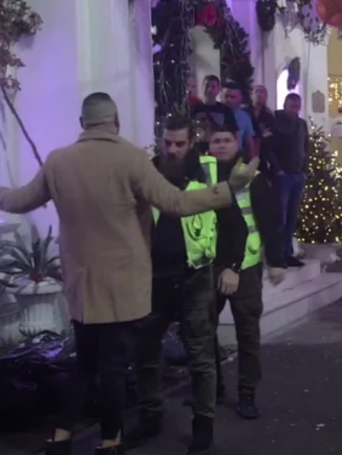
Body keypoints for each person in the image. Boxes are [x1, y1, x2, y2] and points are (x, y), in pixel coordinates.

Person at [0, 92, 258, 455]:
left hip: (85, 283)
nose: (173, 149)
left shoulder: (58, 161)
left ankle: (62, 438)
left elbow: (19, 200)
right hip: (128, 284)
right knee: (114, 366)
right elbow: (176, 203)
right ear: (117, 122)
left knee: (86, 362)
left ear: (82, 123)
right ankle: (111, 440)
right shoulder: (132, 159)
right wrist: (229, 189)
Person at [128, 117, 247, 455]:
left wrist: (232, 267)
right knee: (146, 353)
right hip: (152, 278)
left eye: (179, 144)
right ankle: (150, 415)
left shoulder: (208, 172)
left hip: (194, 277)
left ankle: (203, 425)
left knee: (200, 355)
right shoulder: (146, 172)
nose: (173, 150)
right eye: (167, 143)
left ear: (191, 143)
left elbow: (234, 225)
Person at [204, 125, 286, 420]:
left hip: (246, 266)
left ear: (236, 143)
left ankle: (247, 394)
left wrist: (276, 261)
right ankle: (211, 389)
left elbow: (270, 221)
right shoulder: (202, 177)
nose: (221, 145)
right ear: (208, 145)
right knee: (203, 332)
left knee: (247, 335)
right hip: (209, 264)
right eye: (216, 141)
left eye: (227, 140)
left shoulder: (253, 178)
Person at [269, 93, 308, 268]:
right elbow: (269, 147)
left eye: (297, 107)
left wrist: (304, 170)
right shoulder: (276, 122)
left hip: (297, 175)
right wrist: (277, 169)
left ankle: (288, 253)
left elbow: (306, 147)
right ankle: (277, 255)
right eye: (292, 106)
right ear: (285, 105)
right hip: (283, 176)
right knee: (280, 217)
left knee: (292, 216)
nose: (294, 110)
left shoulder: (301, 124)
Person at [190, 75, 238, 152]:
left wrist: (235, 150)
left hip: (220, 148)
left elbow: (234, 131)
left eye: (213, 87)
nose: (209, 89)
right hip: (199, 148)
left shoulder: (225, 110)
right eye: (207, 86)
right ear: (202, 88)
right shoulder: (194, 109)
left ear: (218, 90)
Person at [223, 82, 255, 160]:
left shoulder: (244, 117)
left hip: (237, 156)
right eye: (226, 96)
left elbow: (249, 143)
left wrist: (252, 162)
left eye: (232, 97)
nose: (228, 100)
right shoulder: (216, 113)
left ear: (240, 99)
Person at [249, 85, 274, 169]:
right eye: (256, 91)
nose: (259, 94)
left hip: (262, 153)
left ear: (265, 97)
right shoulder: (244, 112)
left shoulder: (268, 115)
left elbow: (269, 133)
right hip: (246, 152)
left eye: (262, 92)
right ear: (251, 95)